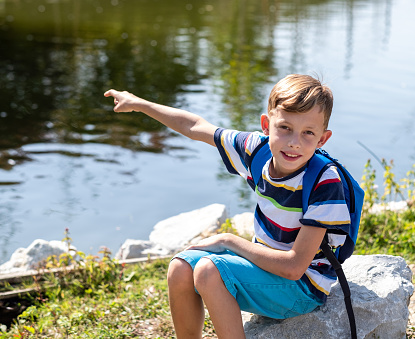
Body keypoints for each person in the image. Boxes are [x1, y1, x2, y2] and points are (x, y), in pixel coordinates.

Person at [104, 74, 350, 339]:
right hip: (265, 270)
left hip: (302, 289)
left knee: (210, 271)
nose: (294, 142)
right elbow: (194, 126)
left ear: (323, 139)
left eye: (308, 133)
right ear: (266, 125)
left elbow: (293, 268)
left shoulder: (325, 181)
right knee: (181, 268)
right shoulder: (257, 151)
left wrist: (228, 240)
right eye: (285, 128)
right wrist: (139, 103)